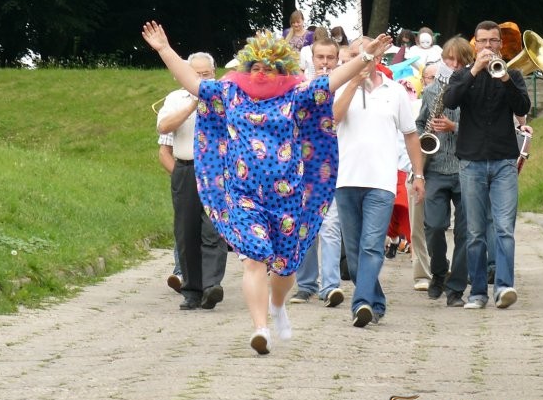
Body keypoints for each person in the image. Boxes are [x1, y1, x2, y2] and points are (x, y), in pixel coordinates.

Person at [142, 22, 392, 353]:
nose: (261, 73)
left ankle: (277, 305)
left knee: (286, 267)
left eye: (269, 68)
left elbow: (333, 80)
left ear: (282, 71)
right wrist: (164, 49)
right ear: (247, 68)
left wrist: (365, 56)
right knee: (254, 258)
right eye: (256, 67)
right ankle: (260, 328)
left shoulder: (297, 95)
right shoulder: (229, 93)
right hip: (243, 196)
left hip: (287, 198)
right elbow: (192, 82)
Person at [333, 37, 425, 327]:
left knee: (372, 246)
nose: (359, 58)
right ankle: (376, 302)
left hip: (382, 181)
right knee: (354, 252)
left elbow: (410, 135)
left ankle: (360, 303)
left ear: (377, 58)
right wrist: (353, 82)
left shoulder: (394, 91)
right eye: (354, 54)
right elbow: (333, 119)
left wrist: (418, 174)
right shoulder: (338, 88)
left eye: (365, 53)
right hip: (346, 179)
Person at [443, 20, 531, 310]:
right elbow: (450, 101)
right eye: (483, 41)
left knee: (504, 228)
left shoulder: (513, 75)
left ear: (501, 45)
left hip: (504, 159)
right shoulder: (462, 75)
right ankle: (478, 292)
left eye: (494, 41)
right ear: (475, 44)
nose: (489, 46)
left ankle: (504, 288)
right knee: (475, 232)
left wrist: (504, 78)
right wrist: (475, 70)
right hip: (472, 162)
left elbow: (523, 107)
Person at [157, 52, 228, 310]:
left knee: (214, 229)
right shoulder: (176, 98)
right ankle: (192, 290)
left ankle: (211, 286)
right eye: (196, 74)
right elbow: (163, 127)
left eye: (206, 74)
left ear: (214, 74)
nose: (202, 79)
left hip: (217, 171)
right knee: (186, 231)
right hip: (186, 168)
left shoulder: (224, 96)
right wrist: (192, 106)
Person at [417, 37, 474, 307]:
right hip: (437, 168)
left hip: (466, 168)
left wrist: (455, 127)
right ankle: (439, 271)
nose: (454, 65)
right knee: (434, 226)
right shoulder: (431, 91)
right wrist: (424, 137)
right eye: (449, 59)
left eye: (460, 61)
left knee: (465, 232)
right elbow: (419, 124)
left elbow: (481, 128)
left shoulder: (473, 89)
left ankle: (456, 289)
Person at [289, 38, 345, 308]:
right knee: (304, 225)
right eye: (320, 57)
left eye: (330, 58)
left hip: (340, 165)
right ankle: (306, 284)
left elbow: (337, 117)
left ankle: (330, 285)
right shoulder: (301, 88)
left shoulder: (344, 86)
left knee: (330, 226)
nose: (325, 62)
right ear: (312, 59)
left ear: (337, 59)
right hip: (307, 167)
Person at [408, 62, 436, 291]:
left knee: (439, 225)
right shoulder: (413, 104)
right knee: (417, 225)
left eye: (437, 78)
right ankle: (421, 273)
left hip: (445, 168)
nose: (433, 82)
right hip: (417, 168)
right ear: (423, 80)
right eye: (429, 78)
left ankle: (442, 265)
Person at [156, 131, 184, 293]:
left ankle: (209, 279)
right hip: (185, 174)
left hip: (213, 177)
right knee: (184, 226)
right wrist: (181, 177)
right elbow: (164, 152)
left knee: (210, 228)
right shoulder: (173, 115)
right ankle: (181, 273)